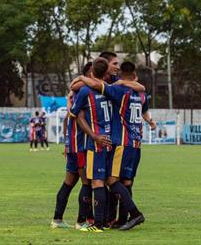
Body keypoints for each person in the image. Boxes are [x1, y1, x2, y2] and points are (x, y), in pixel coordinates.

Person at [75, 61, 156, 230]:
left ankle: (134, 214)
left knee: (110, 180)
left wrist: (83, 76)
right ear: (135, 76)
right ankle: (123, 219)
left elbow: (96, 84)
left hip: (122, 143)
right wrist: (150, 121)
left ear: (121, 77)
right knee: (126, 182)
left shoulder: (119, 90)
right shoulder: (140, 94)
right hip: (136, 144)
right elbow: (143, 100)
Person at [51, 62, 95, 230]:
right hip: (80, 146)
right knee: (87, 182)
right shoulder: (83, 92)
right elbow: (73, 115)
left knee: (69, 182)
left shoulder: (76, 93)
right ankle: (81, 221)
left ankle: (57, 219)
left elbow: (66, 119)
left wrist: (66, 141)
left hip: (73, 146)